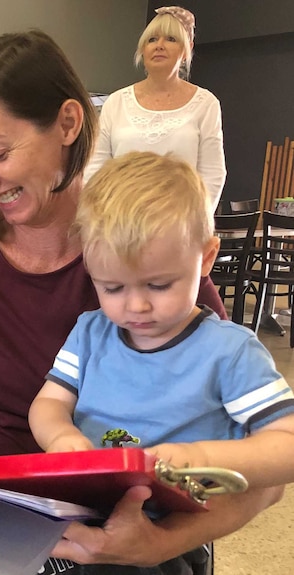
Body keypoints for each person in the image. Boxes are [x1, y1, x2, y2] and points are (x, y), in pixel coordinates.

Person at [0, 30, 280, 575]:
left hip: (118, 528)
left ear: (67, 123)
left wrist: (158, 543)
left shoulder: (152, 256)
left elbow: (263, 476)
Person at [29, 151, 294, 496]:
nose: (137, 305)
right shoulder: (90, 333)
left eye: (159, 285)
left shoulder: (230, 351)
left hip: (175, 528)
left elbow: (286, 444)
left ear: (206, 258)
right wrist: (60, 435)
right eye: (112, 288)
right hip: (86, 508)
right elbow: (49, 403)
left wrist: (199, 456)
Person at [84, 6, 226, 212]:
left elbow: (213, 175)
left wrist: (196, 225)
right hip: (119, 224)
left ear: (187, 49)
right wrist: (100, 220)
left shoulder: (206, 104)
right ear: (142, 49)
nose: (159, 45)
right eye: (152, 39)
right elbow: (94, 170)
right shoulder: (116, 102)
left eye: (170, 38)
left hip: (179, 227)